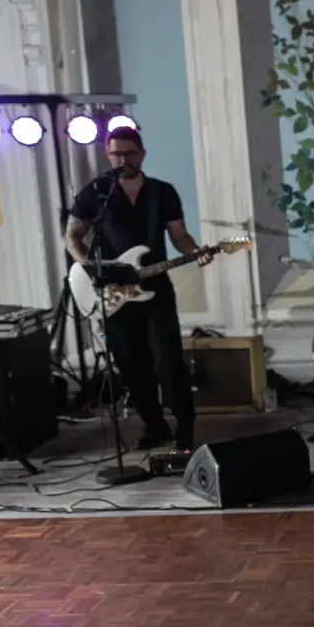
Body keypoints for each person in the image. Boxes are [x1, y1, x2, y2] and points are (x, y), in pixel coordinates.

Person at [65, 126, 209, 452]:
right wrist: (89, 268)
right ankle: (154, 426)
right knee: (131, 363)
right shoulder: (96, 193)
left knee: (169, 361)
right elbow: (72, 236)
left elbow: (178, 234)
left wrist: (195, 251)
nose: (123, 159)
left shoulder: (162, 192)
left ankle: (185, 428)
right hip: (113, 291)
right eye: (117, 153)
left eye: (130, 153)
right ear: (107, 154)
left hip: (155, 287)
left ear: (142, 153)